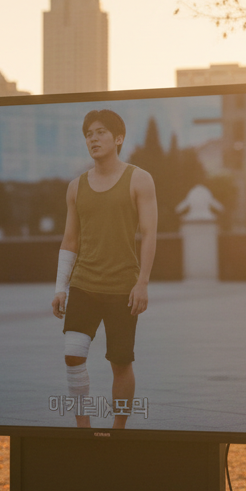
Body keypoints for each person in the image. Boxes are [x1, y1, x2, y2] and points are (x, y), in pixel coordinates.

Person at [51, 109, 158, 429]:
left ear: (118, 139)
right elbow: (70, 240)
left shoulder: (139, 179)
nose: (93, 139)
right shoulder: (76, 187)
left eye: (100, 132)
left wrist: (142, 283)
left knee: (120, 362)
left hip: (122, 287)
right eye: (88, 134)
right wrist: (60, 287)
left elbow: (150, 233)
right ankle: (83, 428)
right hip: (84, 283)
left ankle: (118, 430)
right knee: (73, 355)